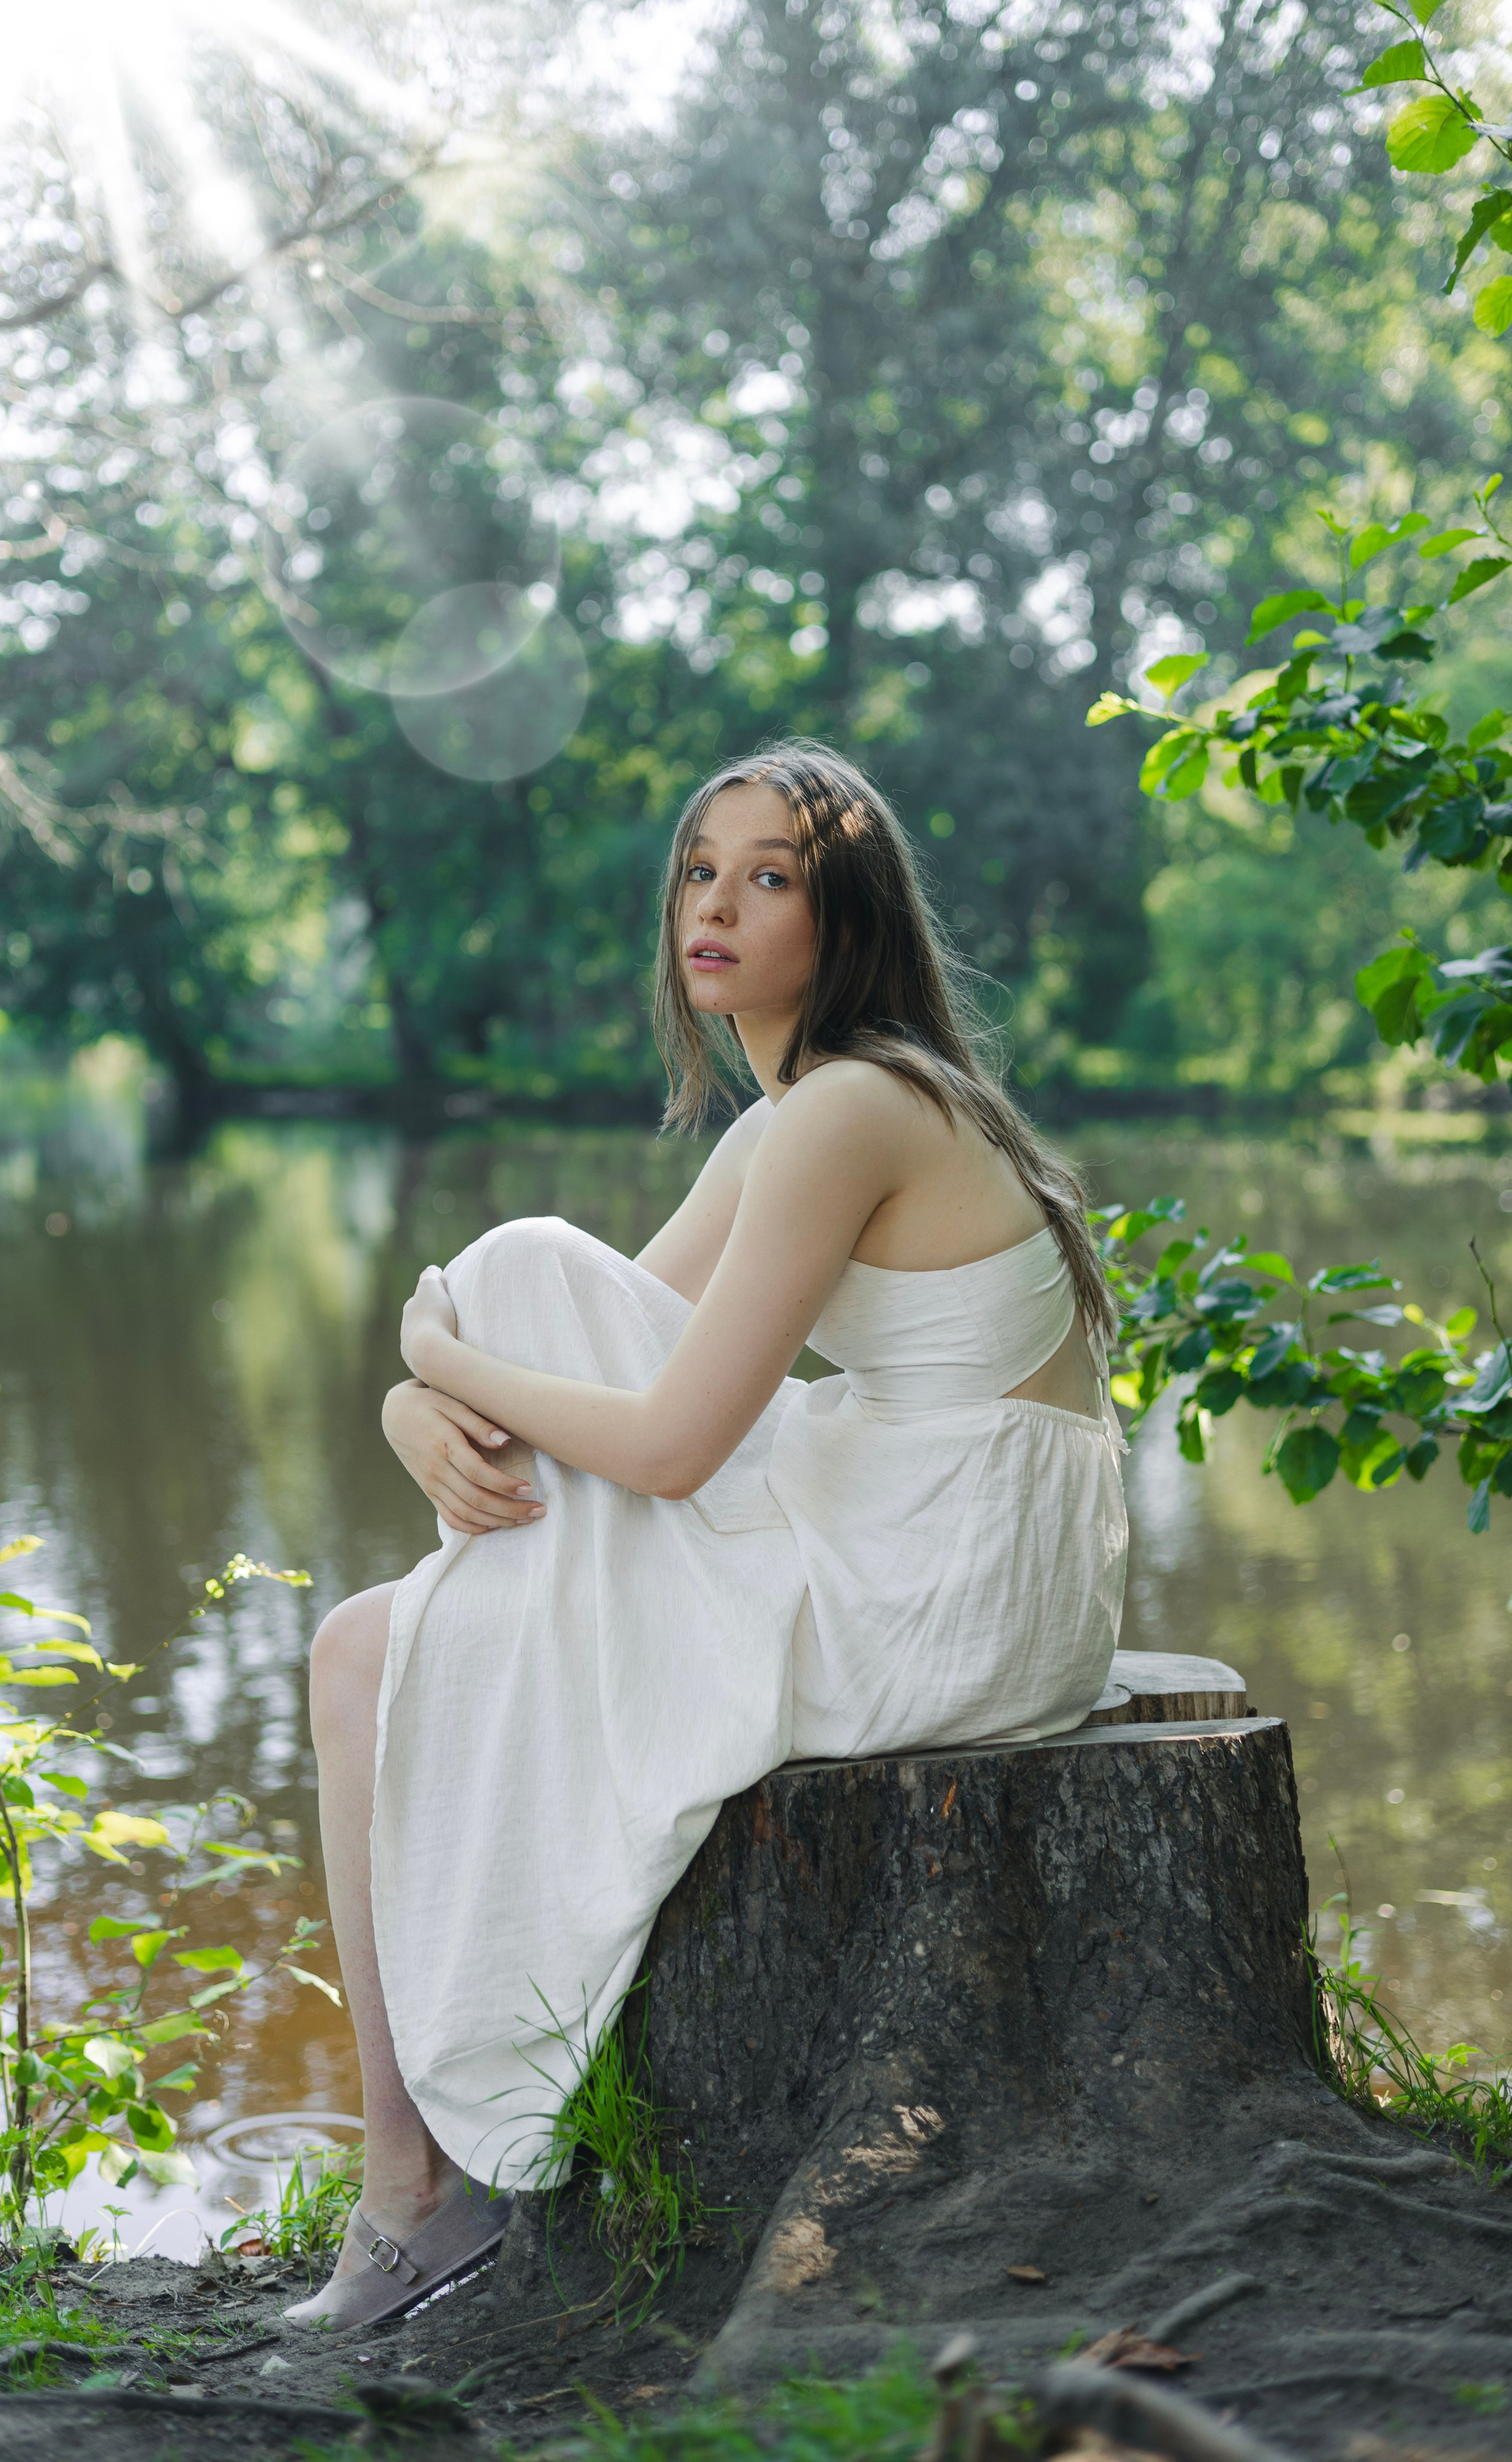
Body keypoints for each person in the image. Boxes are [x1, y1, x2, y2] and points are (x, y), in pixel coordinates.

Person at [283, 741, 1127, 2332]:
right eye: (697, 871)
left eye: (768, 877)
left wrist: (437, 1351)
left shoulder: (851, 1109)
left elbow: (666, 1444)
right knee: (362, 1644)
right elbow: (613, 1341)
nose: (715, 907)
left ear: (846, 917)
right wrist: (414, 1403)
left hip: (938, 1591)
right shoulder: (806, 1116)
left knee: (510, 1277)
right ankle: (410, 2177)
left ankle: (414, 2192)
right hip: (949, 1551)